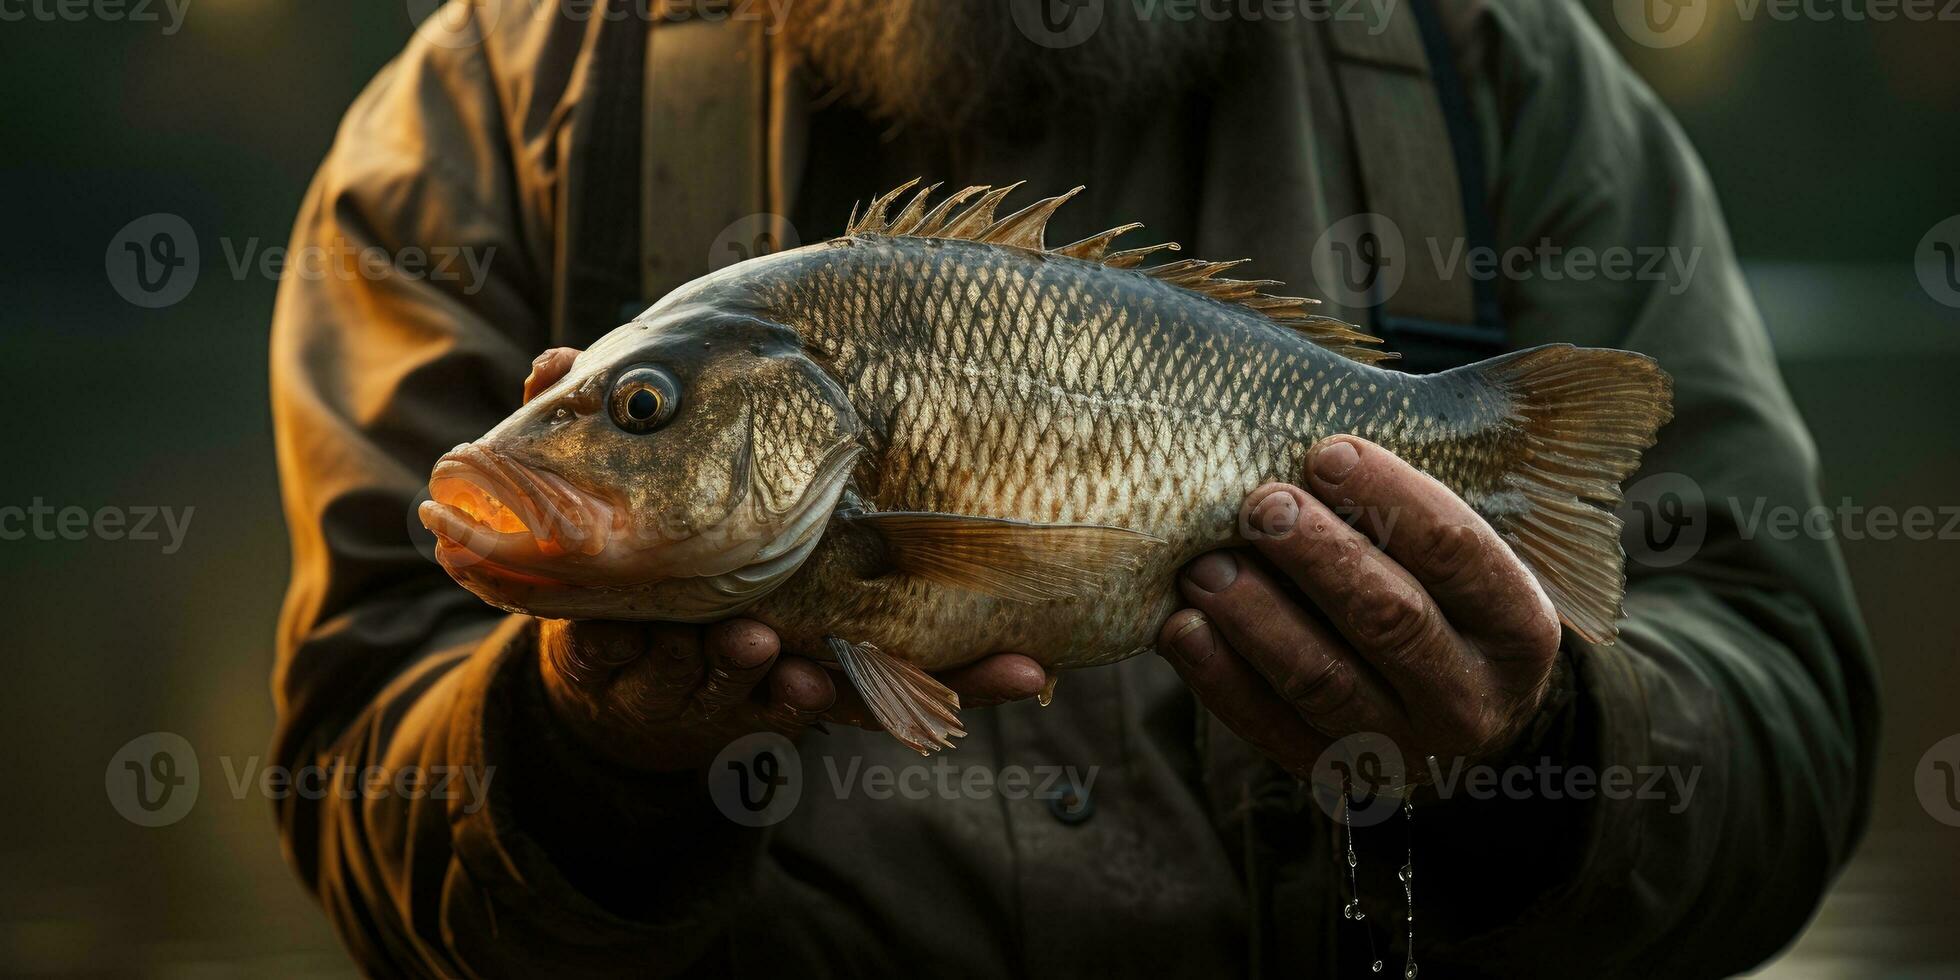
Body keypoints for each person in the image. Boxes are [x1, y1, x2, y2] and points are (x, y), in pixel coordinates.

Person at [269, 0, 1877, 975]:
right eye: (636, 408)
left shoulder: (1499, 70)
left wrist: (1539, 761)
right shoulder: (487, 113)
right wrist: (582, 764)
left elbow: (1785, 739)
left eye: (642, 412)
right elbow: (359, 809)